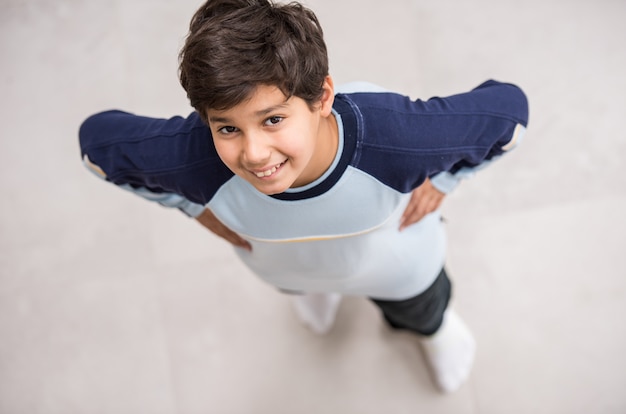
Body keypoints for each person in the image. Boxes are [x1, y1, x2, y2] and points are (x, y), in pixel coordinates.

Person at [79, 0, 528, 393]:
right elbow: (97, 148)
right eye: (227, 127)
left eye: (272, 119)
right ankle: (313, 293)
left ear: (322, 97)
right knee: (299, 284)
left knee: (421, 308)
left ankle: (433, 330)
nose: (253, 154)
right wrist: (190, 205)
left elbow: (510, 114)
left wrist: (444, 182)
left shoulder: (399, 139)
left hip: (400, 269)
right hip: (288, 268)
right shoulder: (196, 159)